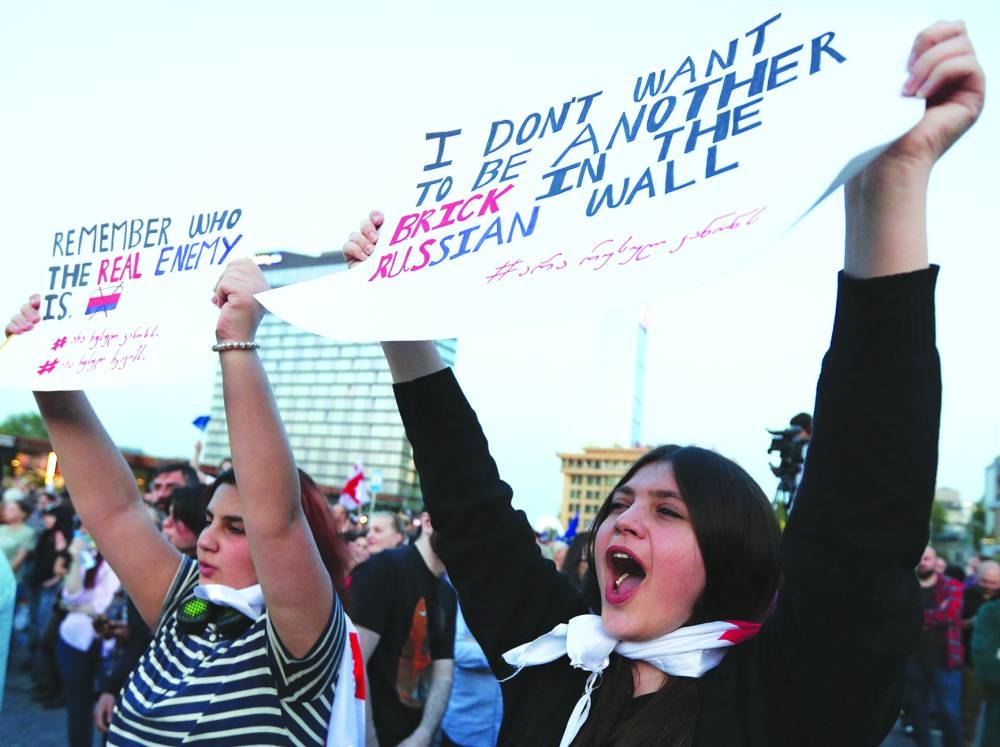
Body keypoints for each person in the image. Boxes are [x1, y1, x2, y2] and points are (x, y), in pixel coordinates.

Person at [342, 21, 985, 747]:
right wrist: (393, 315)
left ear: (729, 557)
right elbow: (470, 506)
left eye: (668, 510)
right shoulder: (550, 654)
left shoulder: (780, 702)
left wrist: (893, 183)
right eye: (621, 501)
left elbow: (862, 515)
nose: (623, 519)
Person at [6, 259, 360, 744]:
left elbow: (277, 519)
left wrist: (236, 340)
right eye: (211, 520)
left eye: (237, 528)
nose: (207, 540)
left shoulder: (302, 645)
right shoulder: (188, 608)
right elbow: (115, 512)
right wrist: (48, 368)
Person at [93, 484, 209, 735]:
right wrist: (127, 632)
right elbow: (152, 636)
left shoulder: (205, 591)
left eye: (175, 518)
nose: (165, 525)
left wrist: (113, 687)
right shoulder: (176, 577)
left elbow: (170, 641)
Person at [350, 510, 456, 746]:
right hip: (370, 734)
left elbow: (443, 675)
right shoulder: (384, 568)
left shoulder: (448, 594)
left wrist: (423, 735)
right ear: (428, 522)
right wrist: (369, 739)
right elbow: (354, 661)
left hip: (414, 734)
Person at [906, 545, 966, 747]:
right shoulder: (906, 586)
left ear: (935, 560)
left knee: (949, 714)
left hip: (945, 660)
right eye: (920, 558)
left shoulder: (952, 585)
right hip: (912, 661)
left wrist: (917, 618)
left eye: (928, 558)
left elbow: (950, 614)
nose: (923, 562)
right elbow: (898, 617)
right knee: (918, 716)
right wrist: (932, 615)